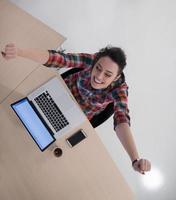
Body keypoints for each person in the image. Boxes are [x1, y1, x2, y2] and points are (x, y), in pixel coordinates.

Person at [2, 43, 151, 174]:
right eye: (98, 68)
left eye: (108, 74)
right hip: (56, 93)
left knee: (33, 147)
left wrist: (134, 159)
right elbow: (59, 59)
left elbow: (121, 120)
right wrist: (19, 52)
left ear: (116, 77)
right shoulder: (91, 60)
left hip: (74, 116)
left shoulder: (120, 89)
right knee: (13, 117)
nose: (98, 76)